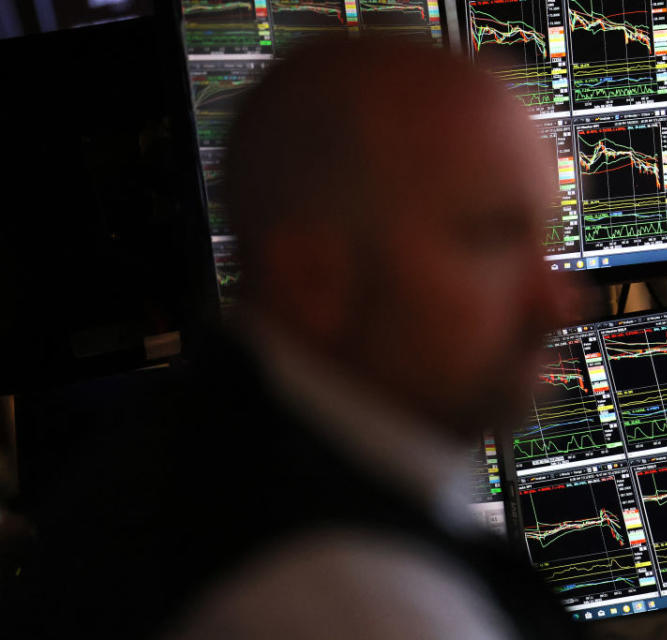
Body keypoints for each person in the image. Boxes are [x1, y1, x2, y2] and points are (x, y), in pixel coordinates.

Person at [4, 36, 585, 639]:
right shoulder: (351, 600)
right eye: (491, 238)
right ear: (315, 277)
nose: (557, 301)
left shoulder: (211, 456)